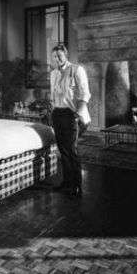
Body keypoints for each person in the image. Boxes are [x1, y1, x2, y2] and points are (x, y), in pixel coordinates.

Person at [49, 44, 91, 198]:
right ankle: (66, 182)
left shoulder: (76, 70)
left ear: (65, 55)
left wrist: (77, 114)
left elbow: (85, 94)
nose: (57, 59)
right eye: (54, 56)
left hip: (71, 114)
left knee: (71, 150)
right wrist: (52, 110)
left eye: (60, 55)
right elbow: (53, 94)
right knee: (62, 150)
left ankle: (76, 185)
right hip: (57, 113)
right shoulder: (53, 74)